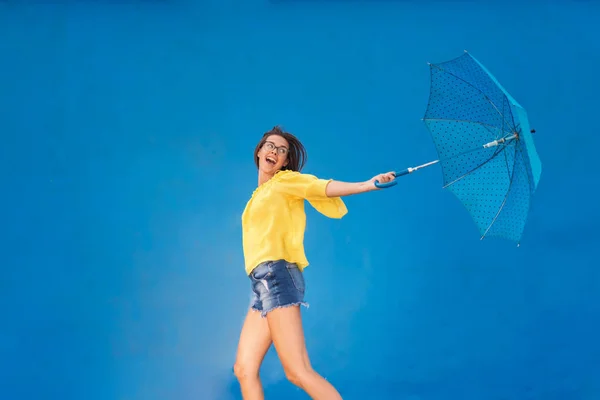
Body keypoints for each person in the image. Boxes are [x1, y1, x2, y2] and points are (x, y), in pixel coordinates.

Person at [233, 126, 396, 400]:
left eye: (281, 150)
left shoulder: (285, 182)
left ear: (285, 162)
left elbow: (321, 187)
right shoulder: (259, 195)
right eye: (269, 146)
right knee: (244, 369)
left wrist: (367, 184)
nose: (274, 151)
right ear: (259, 151)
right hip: (260, 282)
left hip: (277, 276)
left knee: (298, 371)